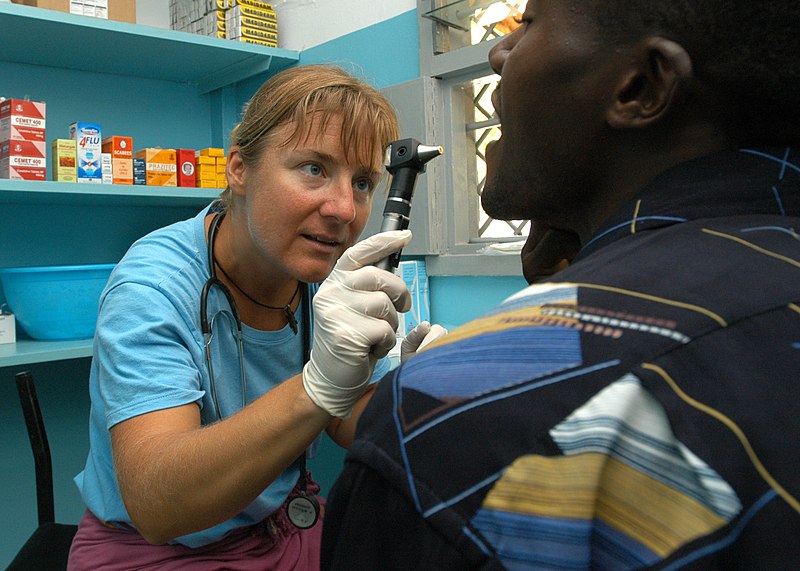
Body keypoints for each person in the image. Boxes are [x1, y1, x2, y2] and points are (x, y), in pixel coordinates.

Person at [321, 1, 800, 569]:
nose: (497, 52)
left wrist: (420, 397)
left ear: (640, 86)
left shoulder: (469, 417)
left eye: (526, 24)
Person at [67, 64, 443, 569]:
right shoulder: (153, 286)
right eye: (314, 168)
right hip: (155, 549)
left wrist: (412, 396)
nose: (343, 210)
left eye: (361, 182)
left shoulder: (323, 273)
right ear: (239, 168)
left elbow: (350, 421)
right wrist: (317, 386)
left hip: (282, 528)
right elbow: (157, 504)